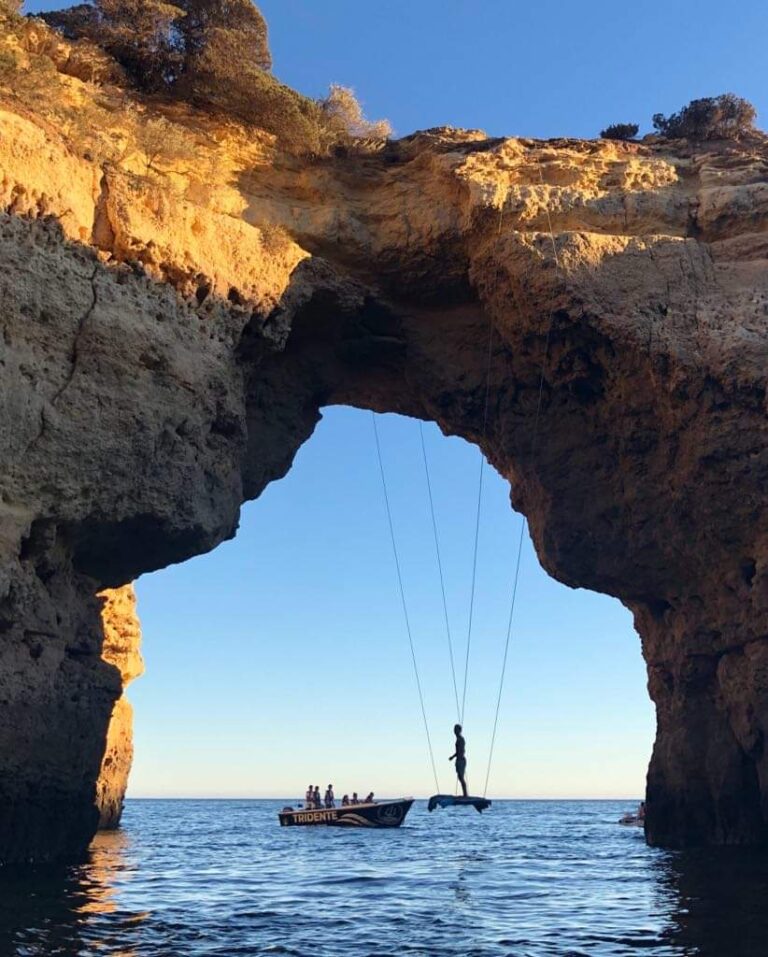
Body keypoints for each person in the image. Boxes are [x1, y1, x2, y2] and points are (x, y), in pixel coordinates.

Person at [449, 723, 468, 797]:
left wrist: (458, 757)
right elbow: (458, 751)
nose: (454, 731)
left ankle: (465, 795)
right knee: (459, 777)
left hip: (461, 760)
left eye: (456, 729)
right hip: (458, 760)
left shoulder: (461, 739)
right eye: (454, 729)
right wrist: (453, 757)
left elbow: (462, 750)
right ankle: (465, 794)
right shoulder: (458, 739)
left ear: (459, 730)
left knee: (461, 777)